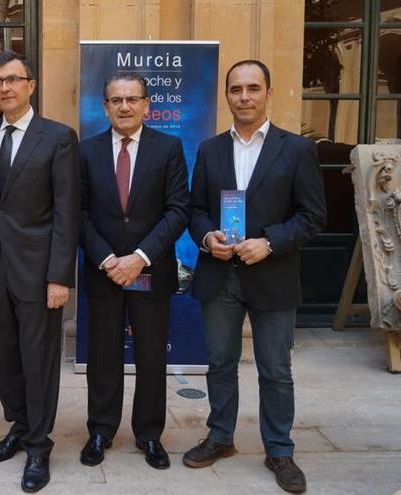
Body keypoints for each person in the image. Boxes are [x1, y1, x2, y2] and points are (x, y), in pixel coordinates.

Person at [183, 60, 326, 494]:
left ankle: (280, 450)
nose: (244, 96)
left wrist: (270, 242)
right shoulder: (209, 150)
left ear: (267, 92)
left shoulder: (296, 149)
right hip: (220, 274)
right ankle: (220, 437)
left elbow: (313, 216)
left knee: (275, 370)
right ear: (226, 95)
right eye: (236, 89)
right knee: (220, 363)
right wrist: (208, 237)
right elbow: (195, 211)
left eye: (253, 88)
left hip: (273, 274)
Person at [0, 51, 80, 493]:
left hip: (39, 273)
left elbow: (66, 211)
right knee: (4, 357)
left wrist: (60, 277)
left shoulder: (57, 137)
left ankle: (40, 445)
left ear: (31, 85)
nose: (5, 88)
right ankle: (18, 426)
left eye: (14, 80)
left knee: (39, 361)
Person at [78, 73, 189, 470]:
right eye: (115, 100)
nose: (124, 106)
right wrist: (109, 260)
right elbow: (80, 212)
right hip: (103, 271)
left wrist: (140, 257)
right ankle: (101, 430)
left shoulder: (169, 148)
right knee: (102, 354)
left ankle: (149, 434)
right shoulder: (86, 151)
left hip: (150, 271)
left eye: (132, 99)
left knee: (151, 355)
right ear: (104, 106)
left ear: (146, 104)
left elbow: (178, 210)